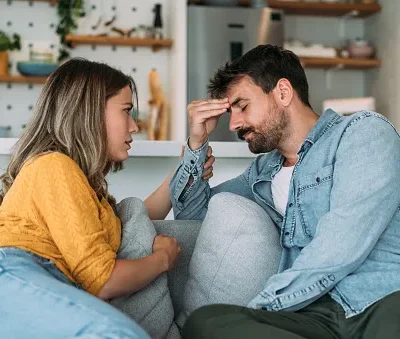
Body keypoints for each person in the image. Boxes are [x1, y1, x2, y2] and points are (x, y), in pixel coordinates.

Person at [169, 44, 400, 338]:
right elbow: (193, 216)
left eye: (242, 105)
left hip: (378, 301)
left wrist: (262, 310)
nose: (235, 123)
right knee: (205, 322)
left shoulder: (362, 133)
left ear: (283, 92)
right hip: (315, 316)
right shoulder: (264, 172)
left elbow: (340, 246)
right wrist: (196, 143)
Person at [0, 58, 214, 338]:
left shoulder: (82, 186)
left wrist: (188, 165)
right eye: (126, 111)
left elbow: (136, 217)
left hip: (43, 278)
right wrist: (163, 258)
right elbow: (103, 281)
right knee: (116, 334)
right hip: (19, 270)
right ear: (89, 113)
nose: (134, 126)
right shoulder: (52, 166)